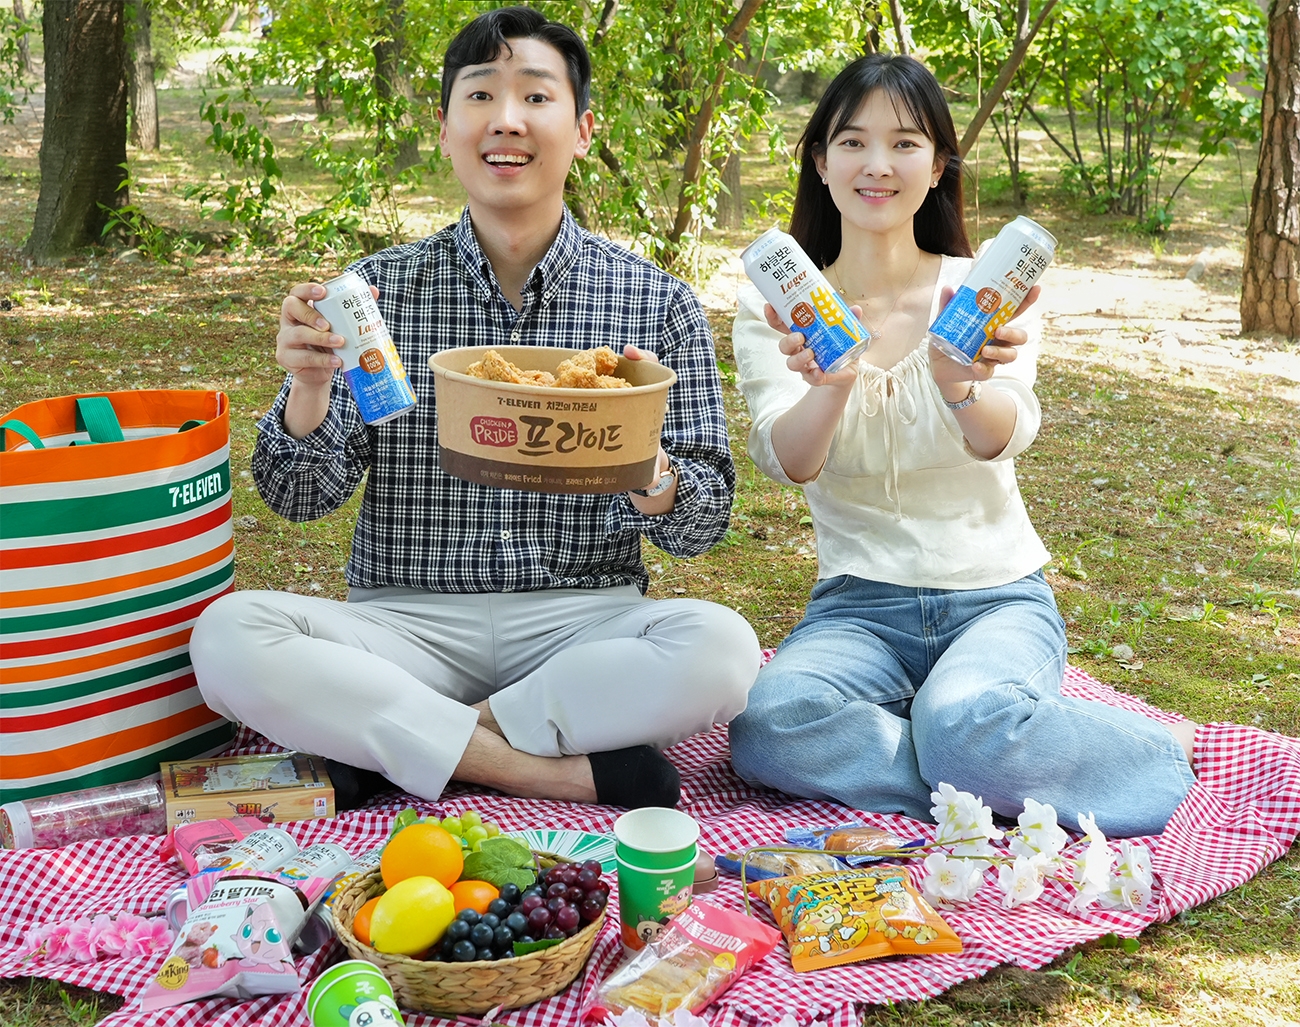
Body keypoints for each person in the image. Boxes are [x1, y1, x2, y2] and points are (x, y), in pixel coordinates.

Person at [191, 6, 759, 812]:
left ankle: (406, 743)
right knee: (228, 637)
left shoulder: (656, 303)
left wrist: (643, 457)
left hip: (582, 622)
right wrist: (310, 386)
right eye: (481, 96)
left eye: (535, 96)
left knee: (724, 651)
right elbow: (297, 496)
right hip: (404, 622)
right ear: (447, 124)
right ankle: (545, 772)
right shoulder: (378, 293)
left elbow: (701, 525)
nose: (506, 120)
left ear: (583, 128)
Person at [728, 54, 1196, 837]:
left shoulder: (979, 288)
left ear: (940, 163)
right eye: (852, 142)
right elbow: (787, 459)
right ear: (820, 159)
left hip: (998, 595)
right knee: (769, 726)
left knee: (963, 722)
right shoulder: (778, 304)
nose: (877, 165)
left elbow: (1008, 432)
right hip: (857, 609)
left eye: (906, 144)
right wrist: (833, 381)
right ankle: (978, 750)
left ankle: (1146, 748)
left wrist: (956, 382)